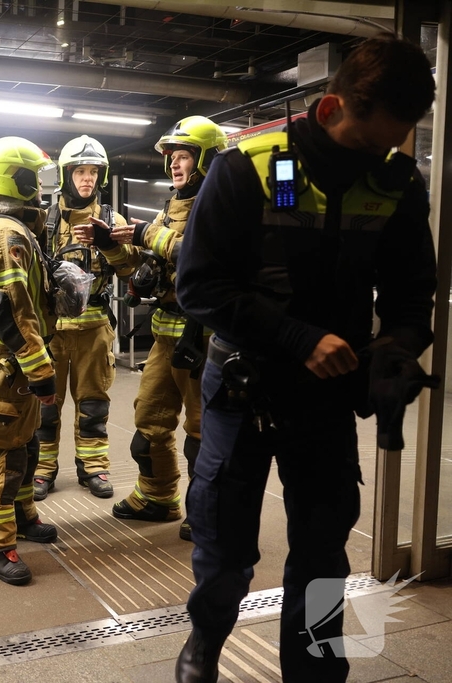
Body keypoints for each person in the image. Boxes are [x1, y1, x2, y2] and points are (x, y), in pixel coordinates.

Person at [173, 34, 437, 682]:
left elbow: (411, 293)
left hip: (327, 398)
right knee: (226, 548)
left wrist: (397, 350)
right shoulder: (247, 170)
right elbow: (199, 286)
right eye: (369, 141)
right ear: (329, 110)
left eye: (394, 143)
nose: (380, 157)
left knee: (323, 557)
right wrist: (297, 338)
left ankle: (317, 671)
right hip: (243, 389)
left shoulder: (397, 182)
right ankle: (205, 641)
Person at [108, 116, 226, 541]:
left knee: (202, 431)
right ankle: (158, 497)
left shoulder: (221, 202)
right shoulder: (170, 206)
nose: (175, 165)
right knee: (150, 420)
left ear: (206, 158)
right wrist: (113, 247)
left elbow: (202, 256)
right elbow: (149, 268)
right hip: (165, 333)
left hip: (203, 336)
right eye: (172, 158)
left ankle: (207, 511)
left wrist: (144, 233)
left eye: (184, 157)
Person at [0, 136, 59, 586]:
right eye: (35, 178)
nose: (40, 188)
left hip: (12, 361)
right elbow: (9, 308)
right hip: (7, 361)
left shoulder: (9, 226)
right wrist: (40, 369)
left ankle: (22, 516)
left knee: (24, 442)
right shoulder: (5, 233)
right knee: (0, 453)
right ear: (15, 178)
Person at [33, 135, 142, 501]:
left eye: (93, 171)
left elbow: (129, 269)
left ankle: (93, 467)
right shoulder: (42, 220)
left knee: (93, 402)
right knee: (46, 406)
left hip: (94, 326)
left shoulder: (113, 220)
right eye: (80, 171)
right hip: (52, 329)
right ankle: (43, 470)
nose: (87, 179)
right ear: (66, 174)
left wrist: (108, 243)